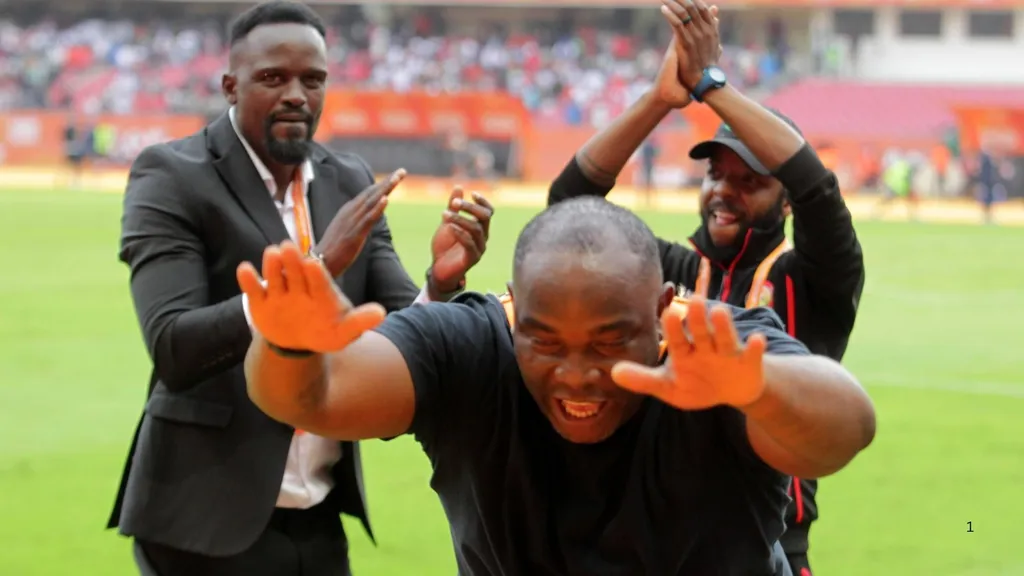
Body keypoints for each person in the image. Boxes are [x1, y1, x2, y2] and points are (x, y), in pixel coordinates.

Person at [239, 195, 875, 576]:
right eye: (543, 340)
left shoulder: (716, 354)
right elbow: (310, 398)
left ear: (662, 307)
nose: (577, 375)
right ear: (513, 305)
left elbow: (846, 431)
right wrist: (290, 344)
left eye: (607, 341)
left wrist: (756, 387)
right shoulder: (468, 346)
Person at [107, 2, 494, 575]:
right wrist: (316, 265)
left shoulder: (347, 179)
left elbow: (396, 332)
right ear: (230, 86)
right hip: (203, 518)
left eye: (313, 79)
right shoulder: (171, 175)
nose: (296, 94)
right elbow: (174, 347)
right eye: (273, 78)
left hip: (319, 514)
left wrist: (440, 282)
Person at [545, 2, 866, 574]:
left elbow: (819, 190)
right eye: (716, 174)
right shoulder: (664, 267)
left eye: (750, 181)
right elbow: (569, 208)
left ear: (784, 197)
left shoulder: (812, 278)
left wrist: (711, 86)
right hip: (652, 532)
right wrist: (660, 100)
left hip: (769, 540)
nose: (725, 191)